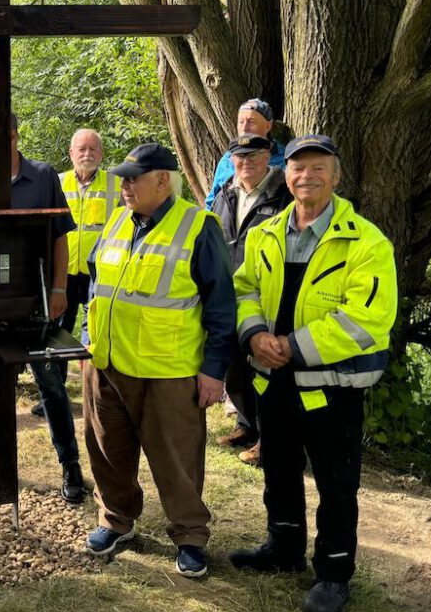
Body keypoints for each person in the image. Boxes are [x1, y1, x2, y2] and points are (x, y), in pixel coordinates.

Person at [229, 134, 397, 612]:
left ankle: (333, 575)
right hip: (274, 380)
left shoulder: (367, 242)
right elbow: (244, 291)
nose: (308, 176)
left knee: (336, 485)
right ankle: (283, 551)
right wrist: (255, 335)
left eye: (319, 167)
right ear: (287, 174)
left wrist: (291, 347)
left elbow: (366, 320)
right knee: (278, 471)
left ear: (337, 176)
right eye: (299, 168)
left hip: (333, 388)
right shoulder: (265, 234)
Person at [82, 143, 237, 580]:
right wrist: (86, 341)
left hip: (168, 370)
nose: (125, 186)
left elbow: (222, 306)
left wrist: (213, 371)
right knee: (108, 449)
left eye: (134, 178)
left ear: (163, 180)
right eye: (124, 178)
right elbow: (95, 286)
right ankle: (115, 520)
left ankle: (189, 536)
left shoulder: (198, 227)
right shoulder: (118, 220)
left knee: (177, 459)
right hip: (107, 365)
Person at [0, 113, 86, 504]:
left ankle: (70, 465)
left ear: (14, 135)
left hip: (37, 301)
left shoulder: (44, 177)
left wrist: (59, 287)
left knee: (50, 383)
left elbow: (60, 237)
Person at [212, 134, 292, 466]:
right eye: (240, 156)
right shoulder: (225, 194)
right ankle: (246, 427)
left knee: (266, 369)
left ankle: (271, 440)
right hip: (226, 293)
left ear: (267, 156)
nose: (246, 162)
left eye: (254, 155)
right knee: (234, 369)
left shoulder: (284, 196)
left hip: (263, 296)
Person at [59, 128, 120, 335]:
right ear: (71, 153)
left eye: (93, 149)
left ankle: (90, 368)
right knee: (58, 331)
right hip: (63, 270)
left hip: (100, 270)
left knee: (95, 331)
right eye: (82, 149)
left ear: (101, 154)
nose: (87, 154)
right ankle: (57, 368)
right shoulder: (57, 183)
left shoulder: (116, 184)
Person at [204, 98, 286, 211]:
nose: (245, 128)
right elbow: (211, 203)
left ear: (268, 126)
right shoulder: (228, 160)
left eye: (251, 122)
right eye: (241, 122)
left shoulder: (285, 159)